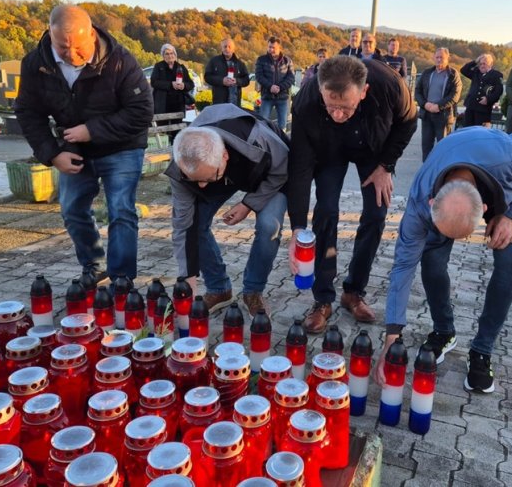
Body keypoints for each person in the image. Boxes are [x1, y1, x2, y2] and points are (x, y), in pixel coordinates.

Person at [375, 127, 512, 393]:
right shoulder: (421, 199)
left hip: (507, 195)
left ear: (485, 210)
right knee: (432, 261)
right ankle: (444, 332)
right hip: (452, 164)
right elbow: (402, 267)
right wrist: (391, 336)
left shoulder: (509, 156)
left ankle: (482, 349)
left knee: (509, 265)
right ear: (433, 203)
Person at [15, 4, 153, 282]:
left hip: (122, 146)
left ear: (91, 34)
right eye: (62, 49)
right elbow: (29, 112)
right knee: (72, 209)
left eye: (78, 47)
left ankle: (122, 276)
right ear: (50, 35)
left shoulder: (120, 60)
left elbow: (141, 111)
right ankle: (94, 263)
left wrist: (92, 130)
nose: (72, 55)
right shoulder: (36, 63)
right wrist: (52, 154)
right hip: (73, 149)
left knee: (121, 210)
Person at [288, 55, 417, 334]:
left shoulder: (389, 85)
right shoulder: (306, 102)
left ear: (364, 92)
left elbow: (409, 122)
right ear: (320, 89)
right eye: (331, 106)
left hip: (372, 147)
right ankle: (322, 299)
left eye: (345, 107)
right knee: (326, 211)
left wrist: (387, 166)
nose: (337, 114)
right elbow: (299, 167)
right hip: (329, 150)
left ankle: (354, 291)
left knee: (376, 212)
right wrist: (297, 227)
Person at [166, 104, 288, 317]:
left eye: (207, 179)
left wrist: (249, 203)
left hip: (266, 173)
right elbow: (183, 227)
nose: (201, 186)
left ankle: (253, 291)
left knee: (270, 226)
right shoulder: (181, 166)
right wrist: (188, 284)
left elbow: (282, 170)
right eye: (196, 180)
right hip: (222, 174)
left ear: (224, 156)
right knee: (196, 223)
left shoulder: (259, 140)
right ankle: (219, 289)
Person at [415, 47, 462, 160]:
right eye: (437, 57)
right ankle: (426, 169)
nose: (439, 59)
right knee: (426, 146)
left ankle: (442, 171)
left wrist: (438, 106)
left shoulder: (452, 74)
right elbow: (418, 91)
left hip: (443, 116)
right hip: (427, 114)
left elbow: (455, 95)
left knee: (444, 146)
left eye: (442, 57)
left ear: (447, 58)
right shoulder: (427, 73)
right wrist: (424, 104)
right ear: (434, 58)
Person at [255, 36, 295, 131]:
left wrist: (280, 87)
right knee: (262, 124)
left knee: (282, 126)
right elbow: (259, 76)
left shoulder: (287, 61)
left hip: (283, 98)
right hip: (267, 97)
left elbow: (291, 78)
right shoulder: (261, 60)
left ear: (279, 48)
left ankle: (282, 144)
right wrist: (270, 86)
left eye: (274, 47)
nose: (271, 49)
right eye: (269, 47)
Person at [460, 53, 504, 128]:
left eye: (484, 63)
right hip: (471, 106)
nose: (482, 66)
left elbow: (498, 91)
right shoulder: (476, 72)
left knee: (480, 133)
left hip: (484, 109)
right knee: (468, 131)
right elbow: (463, 70)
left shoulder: (496, 75)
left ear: (491, 64)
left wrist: (488, 99)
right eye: (480, 64)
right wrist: (475, 61)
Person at [150, 44, 194, 116]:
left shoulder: (181, 67)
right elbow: (154, 82)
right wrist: (171, 84)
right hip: (162, 105)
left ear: (175, 54)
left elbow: (191, 84)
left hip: (178, 106)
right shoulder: (158, 66)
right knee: (162, 126)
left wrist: (184, 85)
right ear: (163, 56)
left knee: (178, 126)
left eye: (171, 53)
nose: (170, 56)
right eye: (167, 54)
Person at [204, 38, 250, 106]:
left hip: (235, 103)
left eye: (229, 47)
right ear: (221, 48)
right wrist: (222, 81)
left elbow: (246, 80)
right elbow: (207, 77)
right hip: (219, 102)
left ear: (233, 49)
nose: (227, 49)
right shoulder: (214, 61)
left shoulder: (240, 64)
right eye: (225, 46)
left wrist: (237, 81)